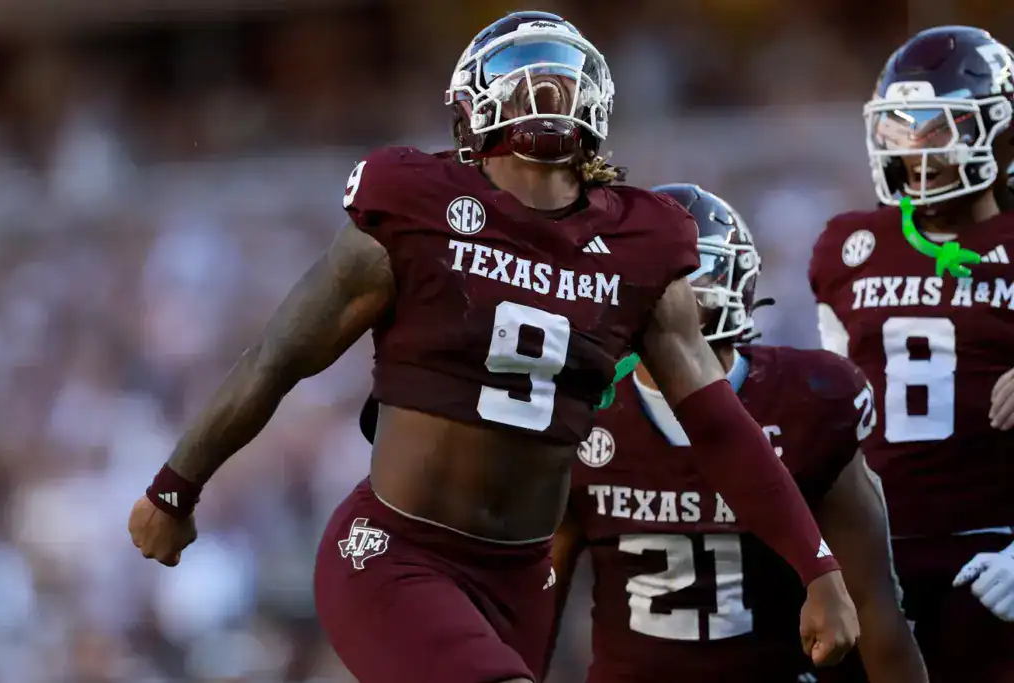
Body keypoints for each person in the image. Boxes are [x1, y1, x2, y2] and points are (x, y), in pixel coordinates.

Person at [129, 12, 857, 683]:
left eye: (556, 78)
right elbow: (278, 356)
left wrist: (816, 565)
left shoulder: (642, 243)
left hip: (522, 579)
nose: (542, 93)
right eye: (525, 78)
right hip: (399, 553)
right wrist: (176, 484)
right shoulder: (413, 207)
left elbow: (718, 422)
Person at [540, 185, 926, 683]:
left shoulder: (808, 401)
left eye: (690, 274)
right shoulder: (581, 406)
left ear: (736, 281)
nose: (670, 294)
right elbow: (538, 597)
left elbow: (875, 608)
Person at [809, 25, 1014, 683]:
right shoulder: (847, 244)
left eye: (938, 127)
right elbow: (834, 417)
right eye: (902, 127)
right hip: (872, 553)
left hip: (992, 549)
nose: (915, 147)